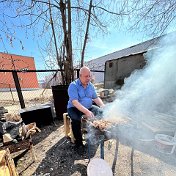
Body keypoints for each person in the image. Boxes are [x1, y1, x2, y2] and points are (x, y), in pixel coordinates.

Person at [67, 66, 105, 150]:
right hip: (74, 108)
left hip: (88, 107)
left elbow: (96, 98)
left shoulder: (90, 86)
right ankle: (79, 143)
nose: (88, 78)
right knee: (76, 119)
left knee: (101, 112)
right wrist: (86, 112)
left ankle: (95, 136)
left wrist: (103, 106)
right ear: (80, 76)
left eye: (89, 76)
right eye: (86, 76)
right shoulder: (73, 86)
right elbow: (75, 102)